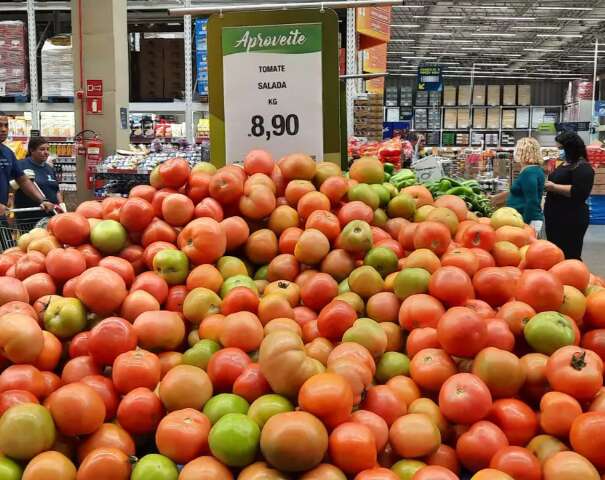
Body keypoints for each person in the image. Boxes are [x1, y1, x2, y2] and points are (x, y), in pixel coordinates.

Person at [0, 114, 54, 249]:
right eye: (0, 125)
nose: (4, 129)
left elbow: (23, 180)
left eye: (6, 125)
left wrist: (42, 200)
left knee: (7, 254)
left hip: (1, 215)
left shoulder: (7, 153)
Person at [544, 130, 595, 260]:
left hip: (570, 218)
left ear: (570, 147)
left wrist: (554, 187)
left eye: (560, 148)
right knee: (555, 253)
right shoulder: (566, 164)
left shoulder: (583, 167)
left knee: (569, 254)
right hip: (555, 217)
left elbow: (580, 192)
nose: (559, 150)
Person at [13, 136, 63, 225]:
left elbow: (56, 189)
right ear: (32, 150)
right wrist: (16, 183)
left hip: (51, 215)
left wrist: (61, 205)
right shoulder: (20, 165)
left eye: (48, 149)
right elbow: (11, 188)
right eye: (42, 149)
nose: (46, 152)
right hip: (29, 217)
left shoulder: (49, 168)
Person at [506, 137, 546, 231]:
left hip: (526, 221)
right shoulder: (535, 169)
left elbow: (531, 201)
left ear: (522, 151)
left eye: (517, 149)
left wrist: (524, 224)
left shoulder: (529, 172)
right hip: (524, 218)